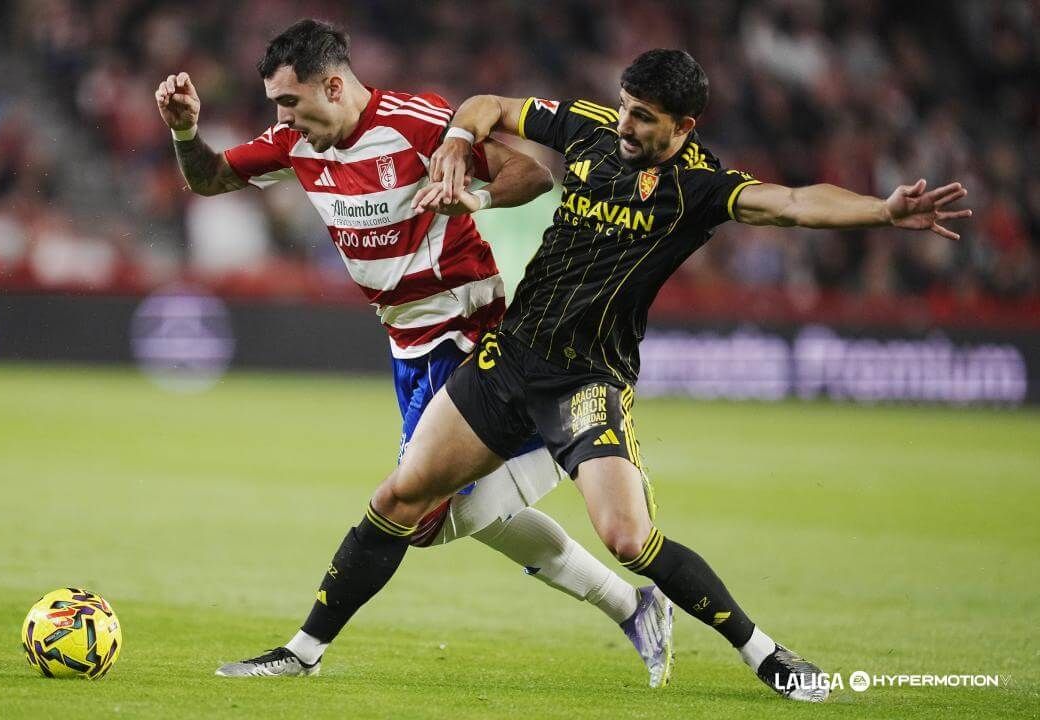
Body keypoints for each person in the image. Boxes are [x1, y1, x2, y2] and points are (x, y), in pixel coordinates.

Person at [227, 47, 973, 702]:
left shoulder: (701, 188)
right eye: (625, 108)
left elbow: (794, 204)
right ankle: (304, 652)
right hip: (508, 358)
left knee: (628, 539)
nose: (625, 126)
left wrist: (881, 209)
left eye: (645, 118)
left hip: (588, 383)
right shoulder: (587, 126)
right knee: (400, 499)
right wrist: (458, 142)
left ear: (684, 128)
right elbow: (491, 107)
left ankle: (767, 654)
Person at [154, 20, 674, 686]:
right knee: (454, 516)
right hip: (409, 348)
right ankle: (634, 603)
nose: (281, 118)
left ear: (335, 85)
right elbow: (210, 178)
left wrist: (470, 196)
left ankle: (303, 650)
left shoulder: (418, 124)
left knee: (409, 506)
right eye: (275, 105)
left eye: (290, 102)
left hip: (469, 335)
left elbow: (532, 174)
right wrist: (184, 132)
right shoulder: (297, 144)